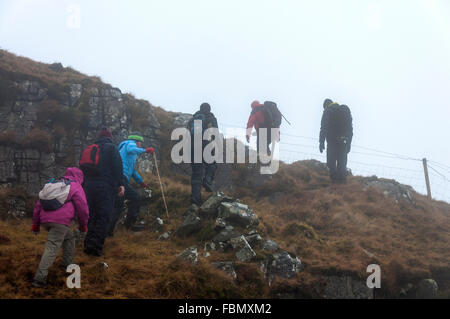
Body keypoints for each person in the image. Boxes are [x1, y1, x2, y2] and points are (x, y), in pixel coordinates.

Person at [31, 167, 89, 288]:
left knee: (69, 237)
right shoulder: (76, 186)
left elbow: (38, 206)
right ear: (80, 177)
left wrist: (36, 225)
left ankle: (67, 265)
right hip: (60, 222)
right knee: (51, 248)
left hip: (45, 221)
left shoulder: (54, 184)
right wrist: (83, 226)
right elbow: (83, 208)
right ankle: (39, 279)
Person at [82, 128, 125, 256]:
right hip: (105, 187)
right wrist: (121, 184)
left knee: (92, 215)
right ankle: (95, 247)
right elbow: (118, 168)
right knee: (104, 216)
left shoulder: (90, 148)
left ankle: (88, 243)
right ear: (110, 137)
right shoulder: (112, 148)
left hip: (88, 187)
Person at [108, 132, 154, 234]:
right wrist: (145, 150)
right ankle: (126, 225)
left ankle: (111, 230)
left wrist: (141, 182)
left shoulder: (127, 153)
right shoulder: (130, 144)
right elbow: (131, 149)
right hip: (121, 178)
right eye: (140, 143)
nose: (140, 145)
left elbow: (132, 170)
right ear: (137, 142)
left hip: (118, 178)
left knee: (119, 204)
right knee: (132, 199)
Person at [188, 102, 218, 205]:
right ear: (209, 109)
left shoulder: (193, 119)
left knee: (197, 174)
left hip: (193, 146)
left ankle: (195, 199)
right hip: (206, 144)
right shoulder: (211, 118)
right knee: (212, 164)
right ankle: (207, 181)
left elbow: (188, 133)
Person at [319, 98, 353, 184]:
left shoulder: (328, 110)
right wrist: (349, 144)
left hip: (332, 141)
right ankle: (342, 186)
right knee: (342, 164)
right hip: (344, 141)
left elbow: (324, 127)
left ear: (326, 105)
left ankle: (333, 185)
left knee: (331, 163)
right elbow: (350, 129)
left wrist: (321, 142)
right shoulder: (344, 110)